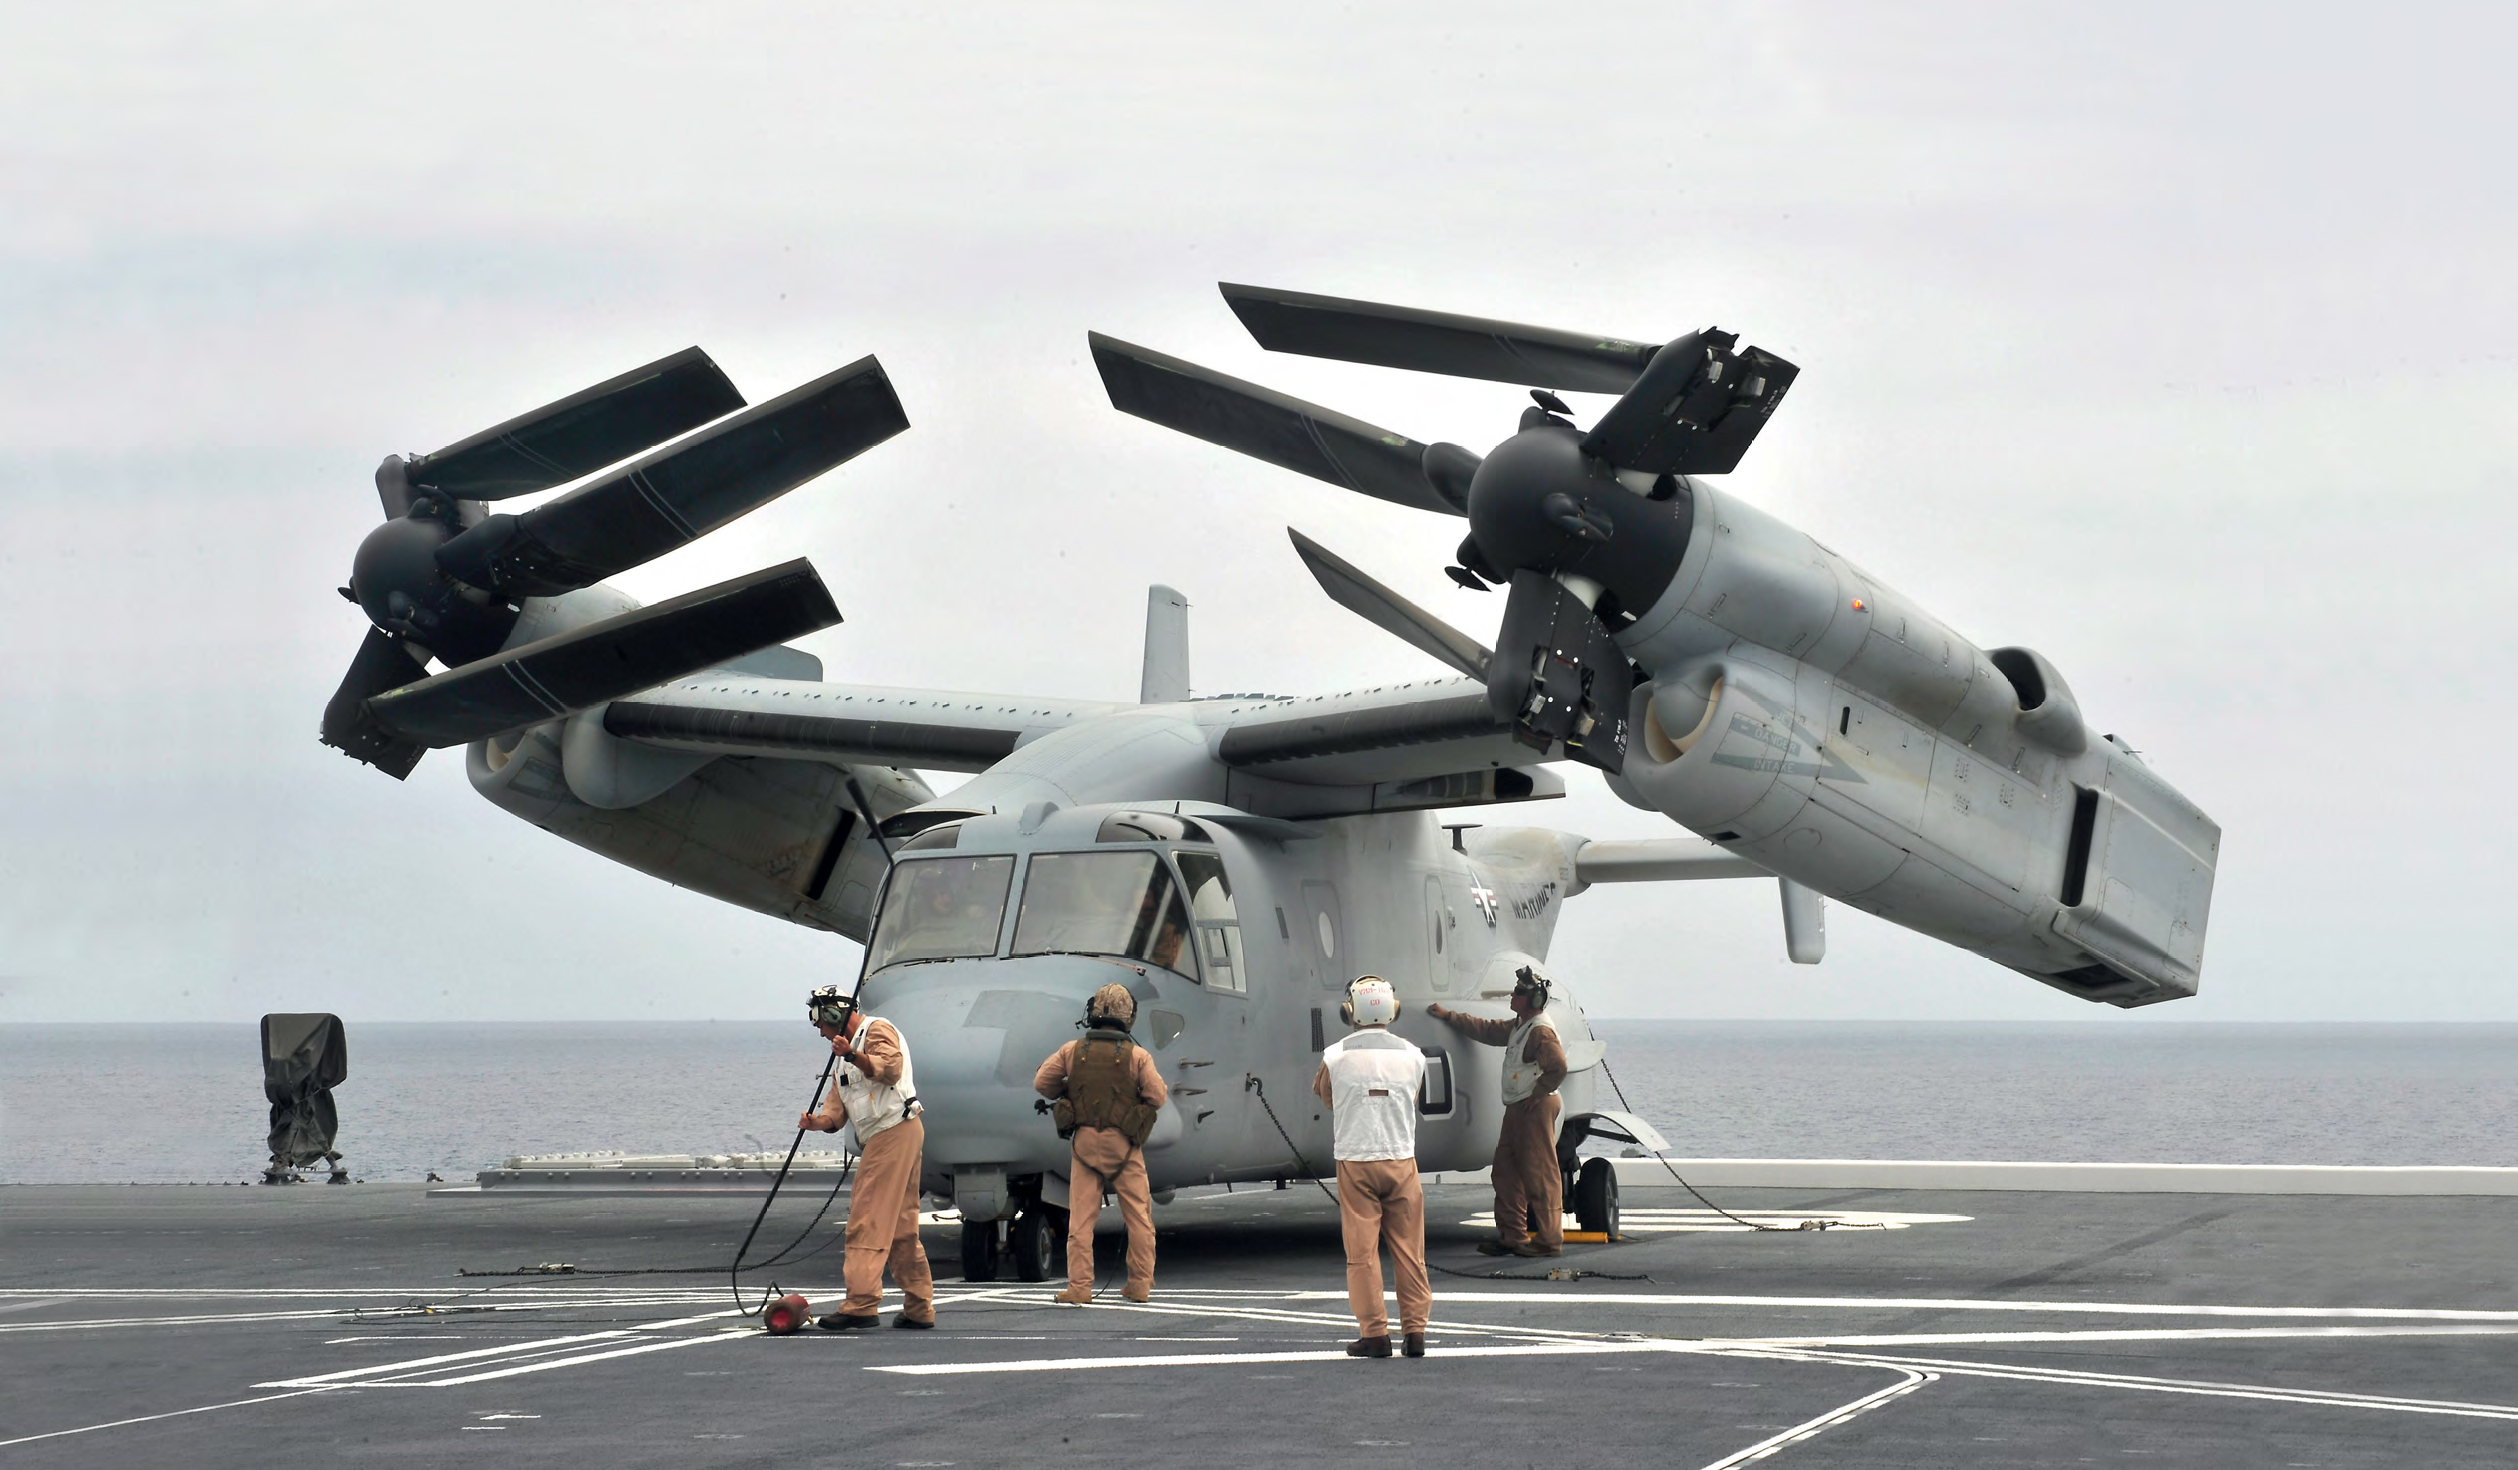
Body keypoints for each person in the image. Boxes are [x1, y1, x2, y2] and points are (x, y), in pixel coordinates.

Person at [798, 984, 936, 1329]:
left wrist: (852, 1055)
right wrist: (817, 1123)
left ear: (834, 1013)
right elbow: (836, 1112)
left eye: (820, 1021)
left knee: (866, 1217)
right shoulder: (840, 1063)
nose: (819, 1029)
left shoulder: (877, 1030)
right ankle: (919, 1308)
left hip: (893, 1130)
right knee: (903, 1227)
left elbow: (889, 1068)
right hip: (890, 1134)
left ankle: (861, 1305)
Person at [1314, 974, 1431, 1359]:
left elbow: (1326, 1096)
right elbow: (1411, 1097)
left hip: (1355, 1159)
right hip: (1401, 1158)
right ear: (1392, 1009)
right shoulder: (1413, 1055)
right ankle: (1414, 1332)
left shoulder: (1335, 1056)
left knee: (1362, 1253)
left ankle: (1374, 1333)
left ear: (1351, 1012)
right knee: (1409, 1250)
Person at [1033, 983, 1168, 1304]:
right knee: (1139, 1217)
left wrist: (1068, 1089)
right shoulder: (1138, 1056)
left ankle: (1079, 1287)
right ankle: (1139, 1285)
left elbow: (1042, 1083)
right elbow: (1157, 1096)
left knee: (1081, 1220)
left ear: (1092, 1012)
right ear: (1129, 1016)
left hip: (1085, 1144)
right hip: (1123, 1145)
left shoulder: (1071, 1051)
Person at [1427, 965, 1569, 1257]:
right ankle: (1512, 1236)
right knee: (1505, 1171)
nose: (1513, 996)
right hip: (1520, 1106)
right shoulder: (1521, 1026)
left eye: (1519, 992)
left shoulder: (1540, 1030)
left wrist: (1540, 1092)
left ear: (1534, 1000)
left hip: (1535, 1106)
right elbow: (1488, 1030)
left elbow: (1558, 1067)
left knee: (1540, 1175)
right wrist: (1449, 1017)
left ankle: (1550, 1241)